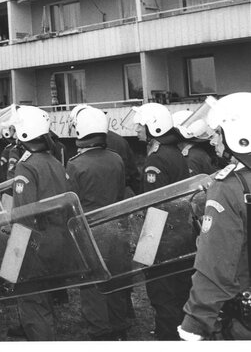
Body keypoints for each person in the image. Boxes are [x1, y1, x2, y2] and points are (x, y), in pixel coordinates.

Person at [179, 92, 251, 341]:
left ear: (240, 136)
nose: (212, 140)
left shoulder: (229, 187)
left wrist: (195, 322)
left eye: (217, 132)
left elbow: (215, 264)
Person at [66, 106, 129, 340]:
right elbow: (121, 191)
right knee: (116, 280)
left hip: (91, 231)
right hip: (116, 226)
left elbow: (70, 204)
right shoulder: (116, 159)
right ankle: (119, 327)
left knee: (92, 285)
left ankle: (100, 333)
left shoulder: (75, 164)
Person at [132, 102, 191, 340]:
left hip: (162, 237)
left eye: (140, 125)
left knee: (162, 294)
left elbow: (155, 207)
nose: (136, 129)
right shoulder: (175, 153)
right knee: (179, 292)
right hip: (180, 234)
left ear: (153, 127)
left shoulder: (156, 160)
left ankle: (167, 337)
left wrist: (146, 250)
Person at [9, 105, 68, 341]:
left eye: (16, 130)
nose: (14, 135)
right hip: (56, 237)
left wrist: (15, 250)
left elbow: (23, 214)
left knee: (33, 301)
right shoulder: (54, 161)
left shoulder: (27, 165)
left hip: (34, 239)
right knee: (43, 297)